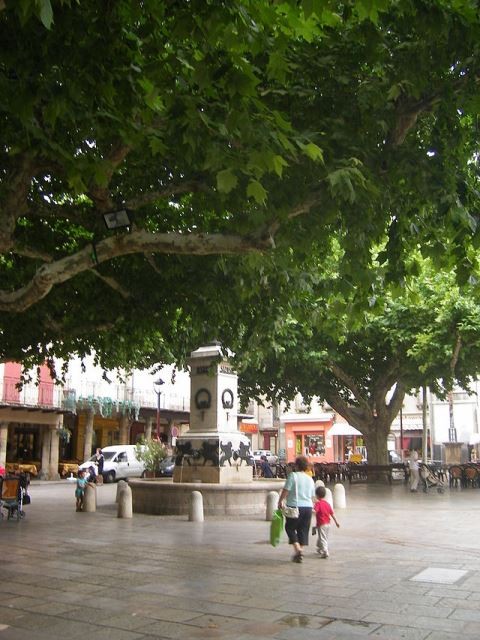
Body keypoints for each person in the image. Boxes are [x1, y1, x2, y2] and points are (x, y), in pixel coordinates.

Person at [277, 455, 316, 563]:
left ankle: (298, 549)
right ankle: (299, 553)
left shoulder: (293, 476)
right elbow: (313, 496)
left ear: (297, 466)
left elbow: (286, 490)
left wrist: (280, 501)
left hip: (295, 506)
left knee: (290, 528)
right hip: (308, 507)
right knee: (303, 530)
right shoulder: (310, 479)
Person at [313, 486, 340, 558]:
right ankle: (319, 548)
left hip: (321, 524)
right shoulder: (327, 504)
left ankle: (325, 551)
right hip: (328, 523)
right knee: (323, 537)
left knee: (322, 537)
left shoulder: (318, 504)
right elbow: (332, 514)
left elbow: (314, 511)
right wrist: (336, 522)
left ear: (317, 495)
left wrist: (311, 509)